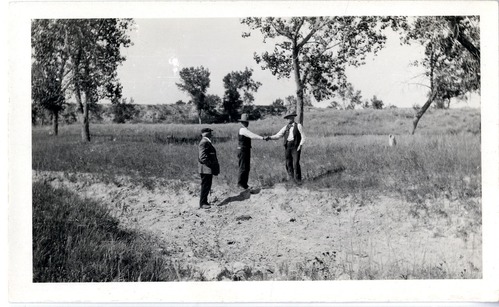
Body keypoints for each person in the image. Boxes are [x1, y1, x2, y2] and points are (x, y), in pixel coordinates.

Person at [266, 111, 306, 184]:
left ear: (293, 118)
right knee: (288, 163)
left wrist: (300, 145)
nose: (287, 120)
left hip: (295, 146)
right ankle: (291, 180)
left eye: (289, 118)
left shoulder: (298, 126)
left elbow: (303, 137)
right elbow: (278, 135)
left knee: (296, 163)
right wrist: (269, 137)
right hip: (287, 146)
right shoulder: (286, 127)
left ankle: (298, 180)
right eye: (287, 118)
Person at [237, 113, 266, 190]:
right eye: (245, 122)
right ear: (242, 122)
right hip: (243, 150)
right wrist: (262, 138)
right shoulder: (243, 130)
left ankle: (244, 184)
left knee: (246, 167)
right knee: (243, 167)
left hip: (245, 150)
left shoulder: (245, 129)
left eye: (247, 122)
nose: (247, 123)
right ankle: (240, 184)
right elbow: (252, 135)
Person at [198, 127, 220, 209]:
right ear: (206, 133)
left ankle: (204, 202)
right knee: (205, 186)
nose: (211, 134)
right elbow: (202, 157)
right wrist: (211, 165)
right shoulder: (204, 142)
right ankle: (203, 203)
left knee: (207, 185)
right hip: (205, 169)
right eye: (209, 132)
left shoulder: (206, 142)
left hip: (206, 169)